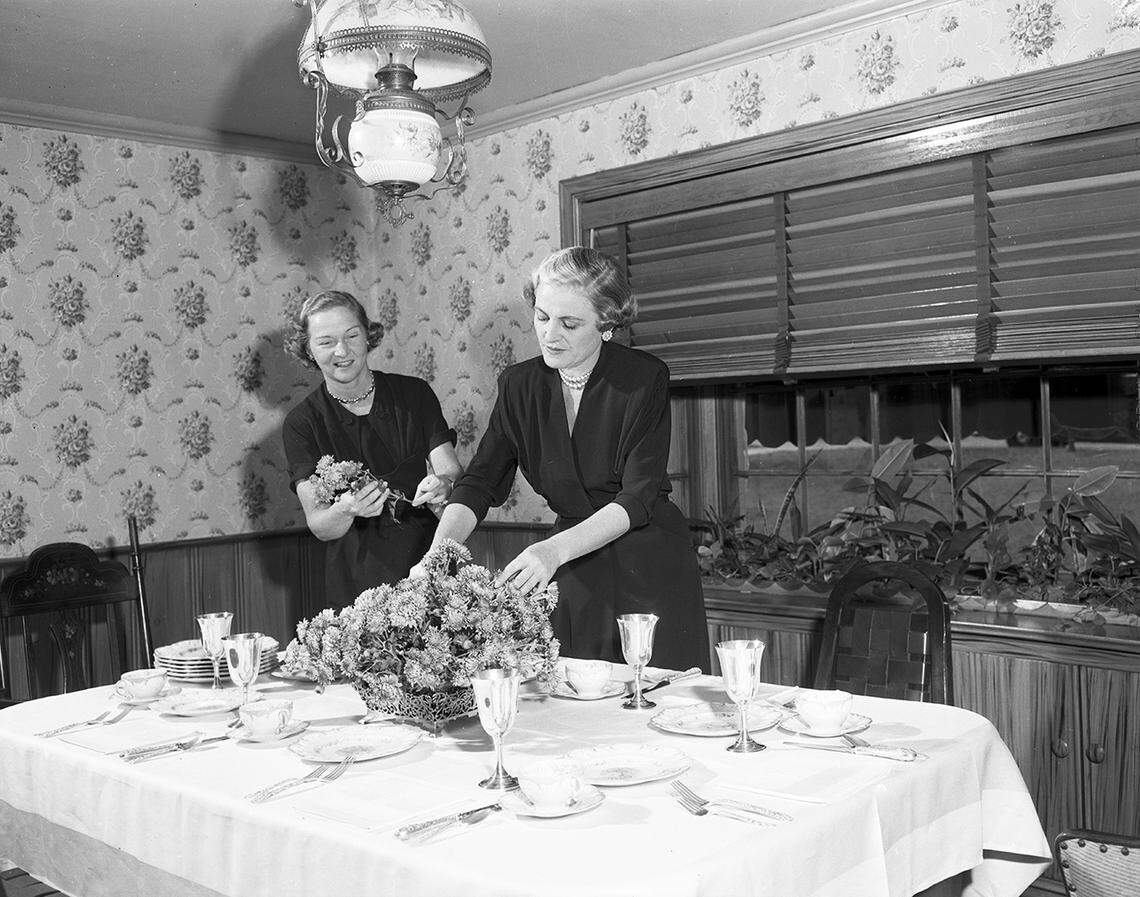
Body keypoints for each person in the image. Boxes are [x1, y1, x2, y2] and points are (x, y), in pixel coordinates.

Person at [412, 248, 710, 671]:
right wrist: (436, 557)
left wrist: (552, 552)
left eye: (570, 324)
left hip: (646, 563)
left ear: (607, 325)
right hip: (572, 565)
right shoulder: (519, 386)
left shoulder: (644, 378)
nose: (550, 335)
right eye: (542, 316)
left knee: (652, 700)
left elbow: (639, 497)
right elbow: (479, 483)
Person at [283, 290, 462, 609]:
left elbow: (449, 470)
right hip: (355, 578)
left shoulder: (414, 394)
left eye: (352, 335)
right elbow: (320, 524)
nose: (342, 350)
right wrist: (347, 509)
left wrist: (443, 484)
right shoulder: (302, 423)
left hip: (428, 561)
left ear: (368, 335)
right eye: (326, 342)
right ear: (308, 350)